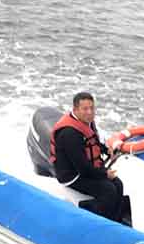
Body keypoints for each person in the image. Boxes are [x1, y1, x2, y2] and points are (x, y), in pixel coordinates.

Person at [50, 91, 130, 224]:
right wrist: (105, 174)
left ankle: (114, 221)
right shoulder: (69, 134)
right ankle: (93, 219)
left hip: (87, 168)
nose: (90, 112)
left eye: (92, 108)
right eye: (85, 109)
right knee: (108, 189)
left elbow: (92, 142)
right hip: (72, 175)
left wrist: (106, 150)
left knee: (118, 184)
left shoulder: (87, 122)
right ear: (75, 109)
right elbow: (83, 168)